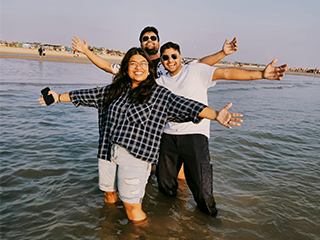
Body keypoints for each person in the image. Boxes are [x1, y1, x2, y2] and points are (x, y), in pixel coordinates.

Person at [38, 47, 244, 222]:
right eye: (134, 63)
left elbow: (186, 105)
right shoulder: (114, 90)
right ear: (126, 67)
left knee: (132, 208)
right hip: (107, 151)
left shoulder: (158, 94)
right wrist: (57, 97)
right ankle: (109, 227)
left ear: (149, 69)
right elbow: (85, 96)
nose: (139, 67)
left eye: (144, 63)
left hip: (136, 157)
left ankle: (142, 233)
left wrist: (215, 114)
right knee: (109, 196)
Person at [155, 41, 287, 215]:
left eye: (173, 56)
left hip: (195, 134)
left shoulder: (195, 70)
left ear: (180, 57)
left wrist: (261, 74)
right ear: (162, 61)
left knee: (202, 189)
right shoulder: (160, 82)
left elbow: (227, 72)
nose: (170, 60)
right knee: (164, 185)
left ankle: (208, 222)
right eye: (165, 57)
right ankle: (169, 219)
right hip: (168, 135)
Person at [71, 26, 238, 78]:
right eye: (145, 38)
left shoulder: (170, 60)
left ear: (158, 42)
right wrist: (86, 51)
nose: (149, 40)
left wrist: (222, 53)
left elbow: (200, 63)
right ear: (141, 43)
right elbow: (108, 66)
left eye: (153, 38)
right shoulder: (135, 64)